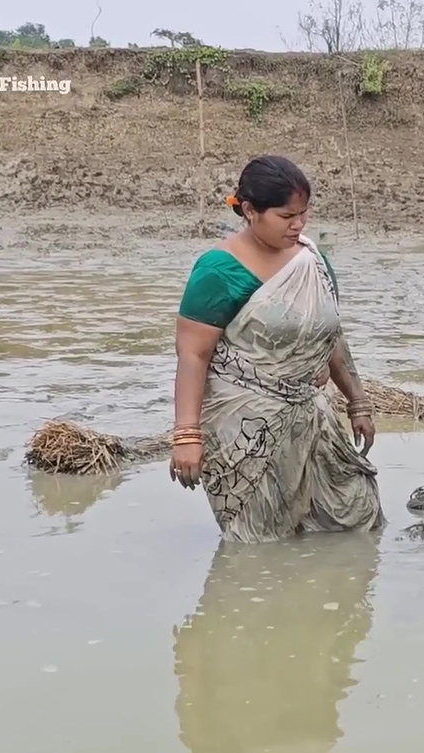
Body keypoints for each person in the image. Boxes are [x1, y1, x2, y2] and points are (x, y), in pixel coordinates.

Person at [168, 155, 384, 542]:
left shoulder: (312, 260)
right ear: (250, 211)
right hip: (247, 431)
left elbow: (328, 333)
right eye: (287, 216)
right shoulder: (219, 270)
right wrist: (187, 435)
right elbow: (193, 355)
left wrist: (358, 402)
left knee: (356, 519)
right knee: (262, 542)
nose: (298, 225)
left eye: (304, 214)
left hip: (313, 415)